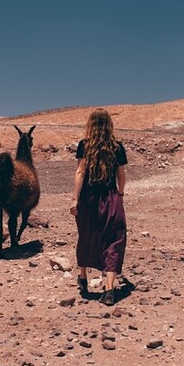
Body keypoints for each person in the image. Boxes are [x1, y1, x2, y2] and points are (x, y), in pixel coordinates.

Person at [70, 108, 127, 306]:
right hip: (110, 198)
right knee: (113, 240)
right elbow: (121, 176)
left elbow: (80, 173)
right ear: (109, 125)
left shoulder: (84, 146)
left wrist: (75, 199)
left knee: (86, 236)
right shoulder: (117, 147)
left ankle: (83, 278)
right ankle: (110, 290)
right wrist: (120, 194)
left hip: (88, 199)